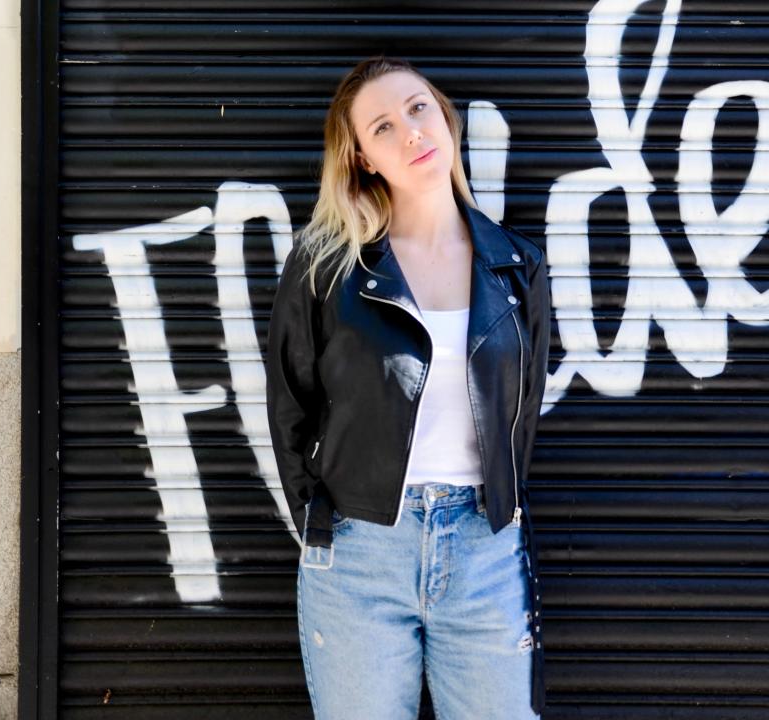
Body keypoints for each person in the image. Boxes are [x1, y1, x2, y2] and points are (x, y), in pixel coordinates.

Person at [265, 55, 550, 719]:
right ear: (363, 158)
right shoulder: (326, 265)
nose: (411, 132)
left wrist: (499, 512)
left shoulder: (516, 267)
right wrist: (321, 518)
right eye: (384, 127)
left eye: (419, 108)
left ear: (445, 119)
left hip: (486, 551)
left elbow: (524, 410)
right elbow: (290, 404)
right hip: (362, 554)